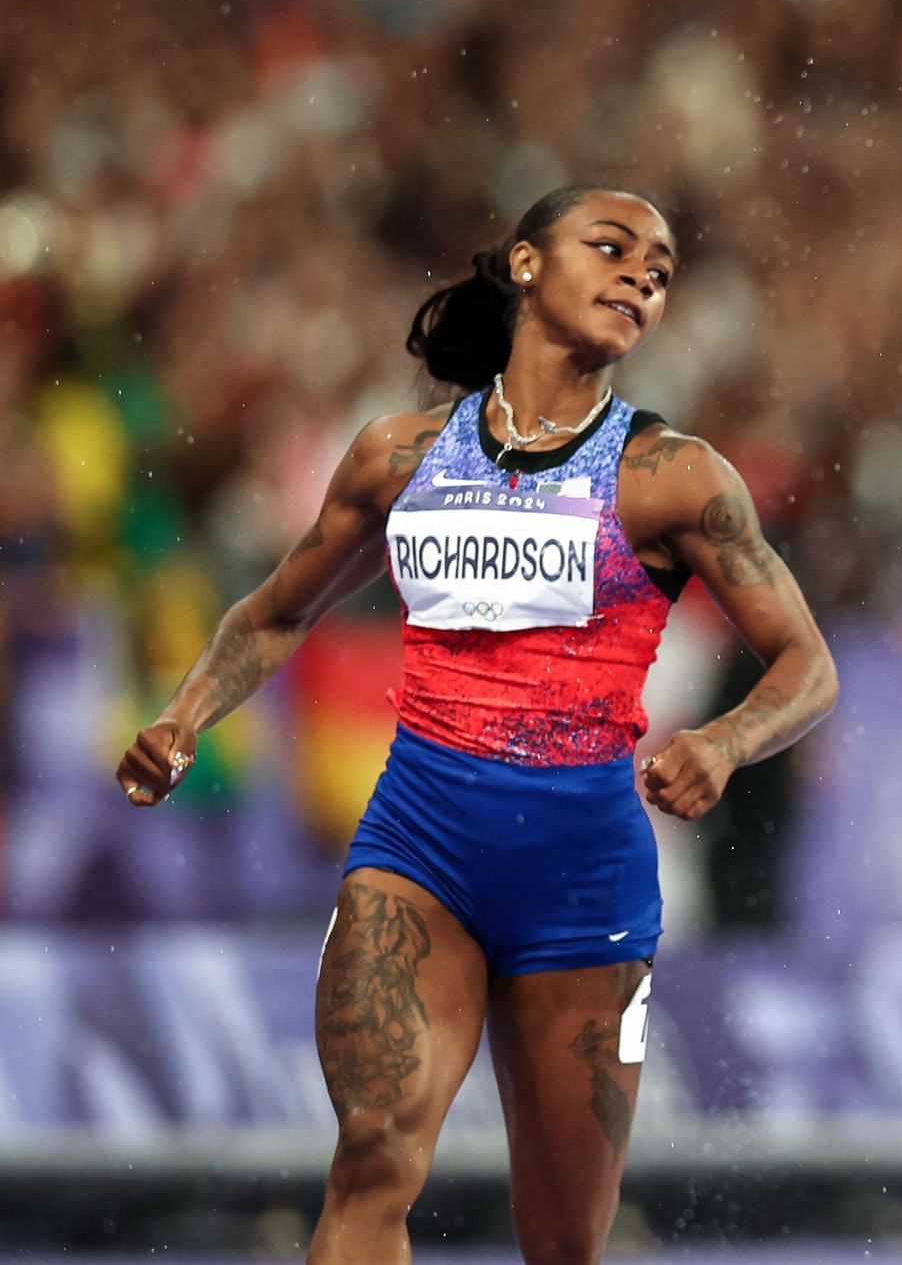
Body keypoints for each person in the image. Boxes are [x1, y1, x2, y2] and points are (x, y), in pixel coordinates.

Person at [115, 184, 838, 1265]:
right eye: (613, 246)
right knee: (371, 1158)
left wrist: (726, 740)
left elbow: (808, 663)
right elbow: (275, 612)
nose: (644, 272)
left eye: (663, 267)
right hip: (419, 849)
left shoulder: (674, 477)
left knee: (563, 1240)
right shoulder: (397, 458)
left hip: (587, 881)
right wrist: (182, 716)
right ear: (527, 266)